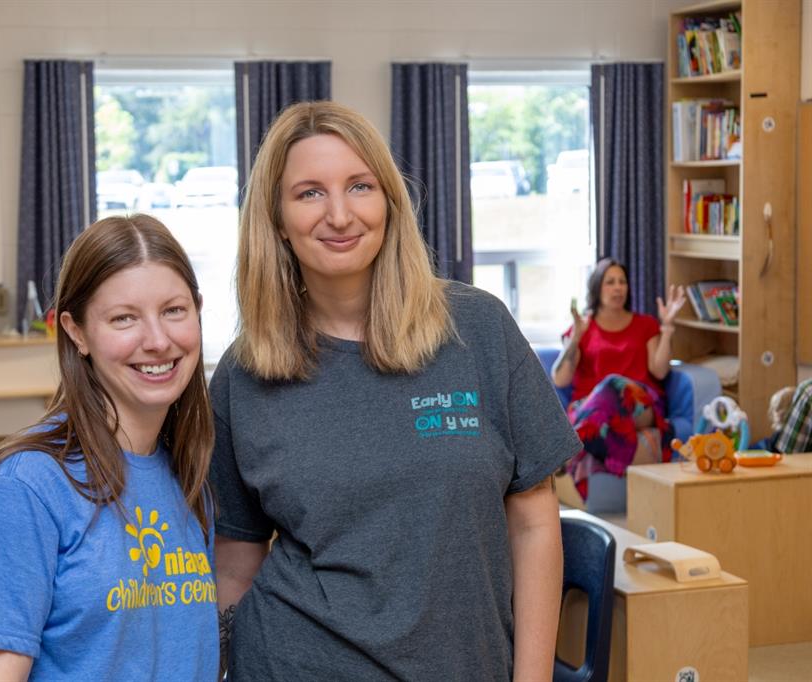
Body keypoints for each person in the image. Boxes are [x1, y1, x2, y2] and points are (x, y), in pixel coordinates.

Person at [210, 101, 581, 680]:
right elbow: (236, 561)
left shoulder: (476, 328)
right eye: (309, 193)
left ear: (389, 199)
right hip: (291, 662)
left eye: (360, 186)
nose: (339, 214)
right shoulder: (244, 373)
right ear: (276, 219)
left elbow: (534, 522)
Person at [0, 215, 218, 681]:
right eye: (123, 318)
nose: (157, 340)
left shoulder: (190, 475)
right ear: (77, 332)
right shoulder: (22, 491)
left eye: (174, 310)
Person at [551, 257, 686, 500]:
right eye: (610, 282)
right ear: (596, 288)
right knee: (601, 395)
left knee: (613, 383)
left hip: (639, 403)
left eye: (622, 282)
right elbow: (560, 379)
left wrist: (667, 328)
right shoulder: (583, 326)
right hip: (592, 411)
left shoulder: (645, 325)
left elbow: (660, 371)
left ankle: (566, 448)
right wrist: (575, 338)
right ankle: (580, 442)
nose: (617, 288)